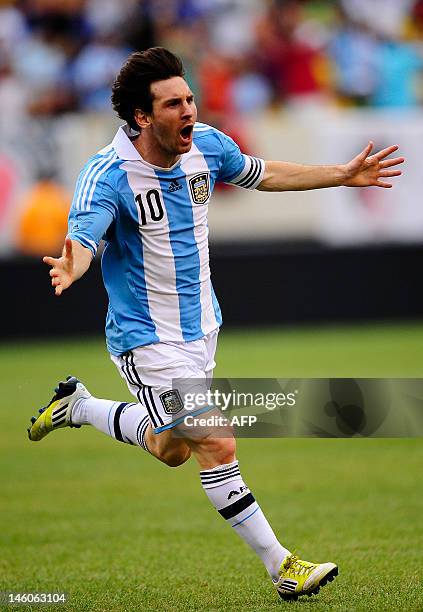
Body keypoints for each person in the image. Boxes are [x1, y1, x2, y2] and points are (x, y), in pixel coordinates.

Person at [27, 47, 403, 602]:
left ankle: (78, 406)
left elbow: (263, 173)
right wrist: (73, 264)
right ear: (141, 117)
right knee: (218, 440)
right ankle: (284, 567)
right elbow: (82, 239)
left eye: (190, 98)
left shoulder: (206, 146)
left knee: (170, 448)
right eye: (173, 103)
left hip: (202, 329)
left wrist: (342, 175)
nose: (189, 111)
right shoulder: (107, 175)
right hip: (145, 339)